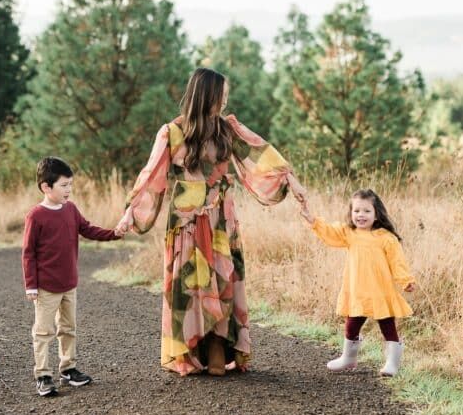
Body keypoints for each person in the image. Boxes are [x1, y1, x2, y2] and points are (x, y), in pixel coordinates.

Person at [116, 68, 307, 376]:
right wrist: (131, 212)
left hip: (220, 217)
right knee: (189, 281)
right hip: (185, 221)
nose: (226, 98)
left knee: (222, 278)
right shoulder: (172, 132)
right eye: (222, 93)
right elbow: (151, 174)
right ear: (206, 94)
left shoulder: (226, 129)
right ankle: (193, 348)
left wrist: (291, 182)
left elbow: (261, 154)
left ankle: (218, 346)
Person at [22, 156, 125, 397]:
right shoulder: (35, 216)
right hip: (46, 288)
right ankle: (43, 375)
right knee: (44, 331)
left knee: (68, 329)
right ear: (46, 187)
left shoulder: (71, 209)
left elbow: (88, 229)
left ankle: (68, 368)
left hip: (69, 284)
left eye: (70, 185)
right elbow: (28, 253)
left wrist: (114, 233)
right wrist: (31, 286)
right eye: (64, 185)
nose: (69, 190)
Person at [298, 189, 415, 376]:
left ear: (377, 214)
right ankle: (348, 358)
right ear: (351, 213)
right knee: (351, 325)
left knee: (387, 325)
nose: (361, 215)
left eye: (367, 211)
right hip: (357, 290)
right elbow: (329, 232)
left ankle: (392, 363)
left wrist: (405, 280)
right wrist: (311, 219)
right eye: (357, 211)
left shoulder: (386, 237)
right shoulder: (349, 233)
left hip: (379, 291)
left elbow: (397, 261)